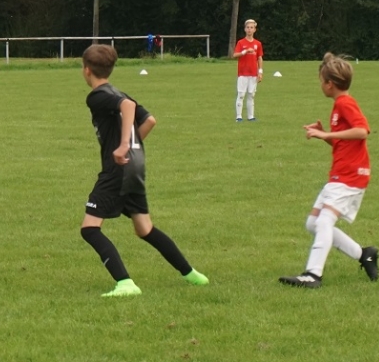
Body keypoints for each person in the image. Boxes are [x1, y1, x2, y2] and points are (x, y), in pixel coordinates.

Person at [79, 44, 209, 297]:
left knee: (90, 228)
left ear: (86, 70)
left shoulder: (97, 96)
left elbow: (127, 106)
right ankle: (192, 275)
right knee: (145, 229)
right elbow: (149, 120)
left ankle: (125, 283)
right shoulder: (116, 91)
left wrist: (123, 146)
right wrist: (132, 145)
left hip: (117, 170)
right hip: (135, 168)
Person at [279, 53, 379, 289]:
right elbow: (342, 142)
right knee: (313, 223)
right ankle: (364, 254)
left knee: (324, 221)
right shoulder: (338, 105)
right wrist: (324, 135)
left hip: (351, 175)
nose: (320, 85)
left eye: (320, 81)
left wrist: (327, 133)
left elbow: (362, 131)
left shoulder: (345, 103)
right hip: (340, 174)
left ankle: (313, 275)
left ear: (329, 84)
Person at [233, 19, 263, 122]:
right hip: (242, 73)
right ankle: (239, 116)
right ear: (245, 29)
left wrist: (260, 72)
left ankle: (251, 116)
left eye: (251, 27)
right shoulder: (241, 42)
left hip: (253, 73)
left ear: (254, 29)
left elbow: (259, 58)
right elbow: (235, 55)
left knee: (251, 94)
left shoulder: (258, 44)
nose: (249, 29)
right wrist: (245, 51)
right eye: (248, 27)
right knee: (241, 94)